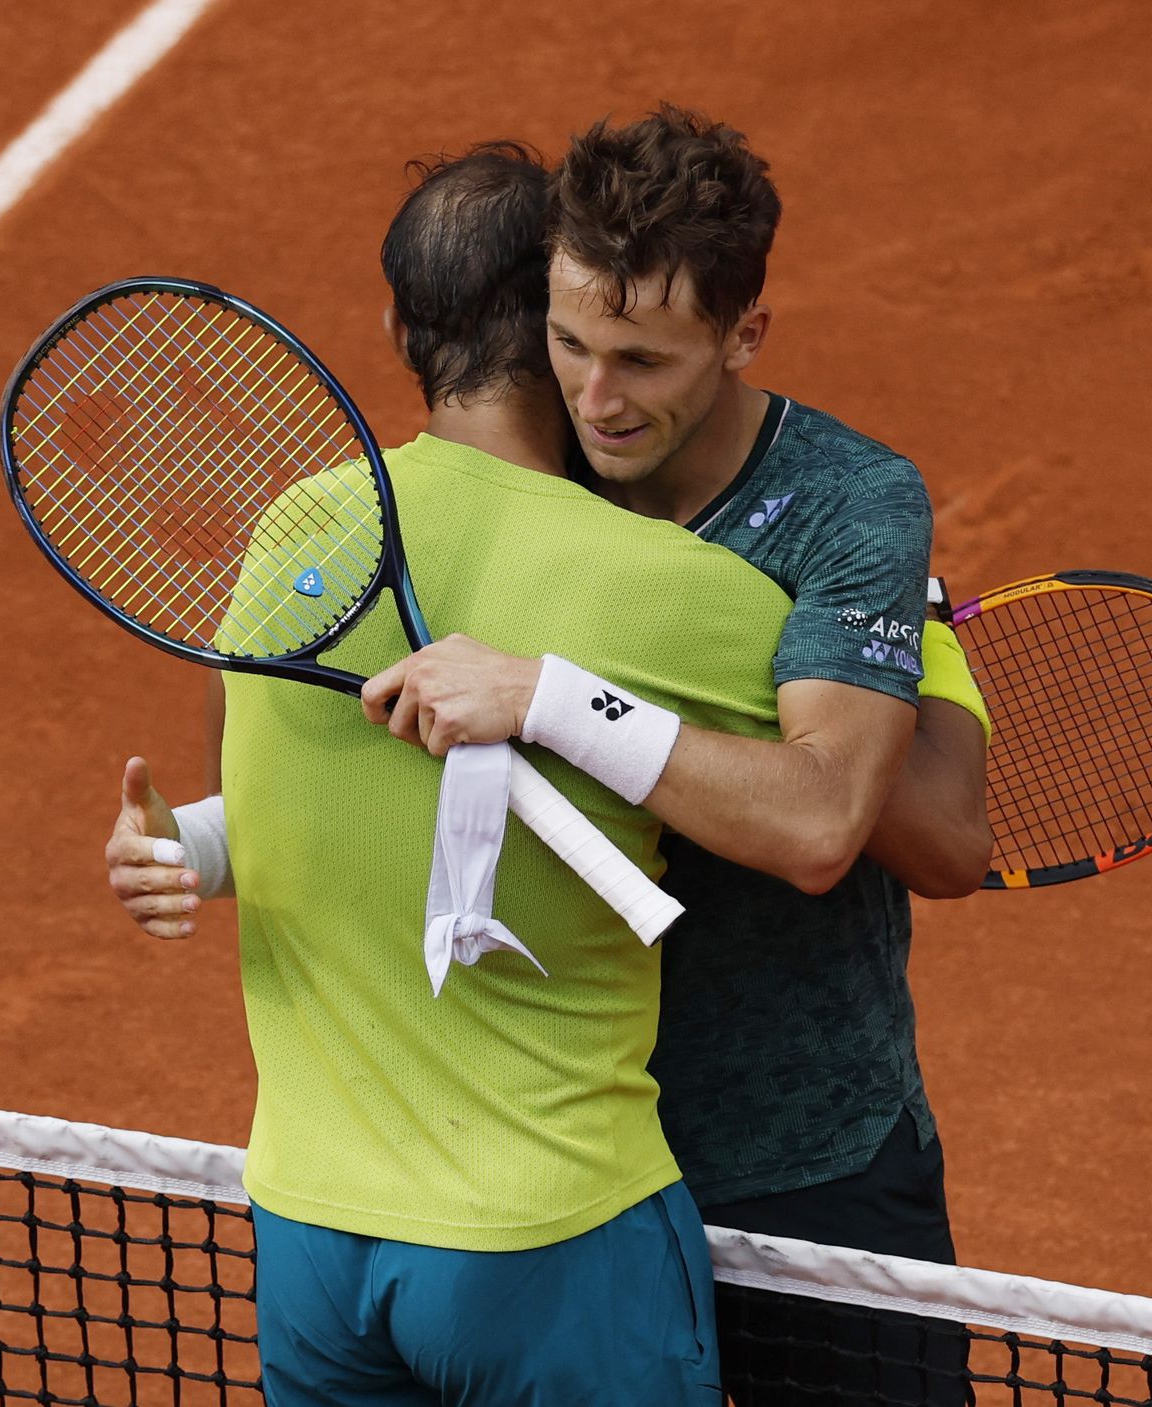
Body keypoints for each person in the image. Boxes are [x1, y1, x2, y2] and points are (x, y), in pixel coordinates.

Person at [108, 144, 799, 1405]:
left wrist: (195, 847)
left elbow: (290, 805)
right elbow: (838, 807)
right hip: (547, 1234)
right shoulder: (687, 593)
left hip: (314, 1243)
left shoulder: (296, 532)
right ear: (558, 323)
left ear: (396, 326)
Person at [370, 107, 991, 1405]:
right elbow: (404, 717)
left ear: (743, 334)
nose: (597, 398)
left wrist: (552, 692)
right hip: (564, 1160)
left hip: (809, 1159)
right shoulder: (526, 462)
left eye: (645, 360)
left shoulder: (846, 501)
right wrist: (205, 836)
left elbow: (834, 827)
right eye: (571, 342)